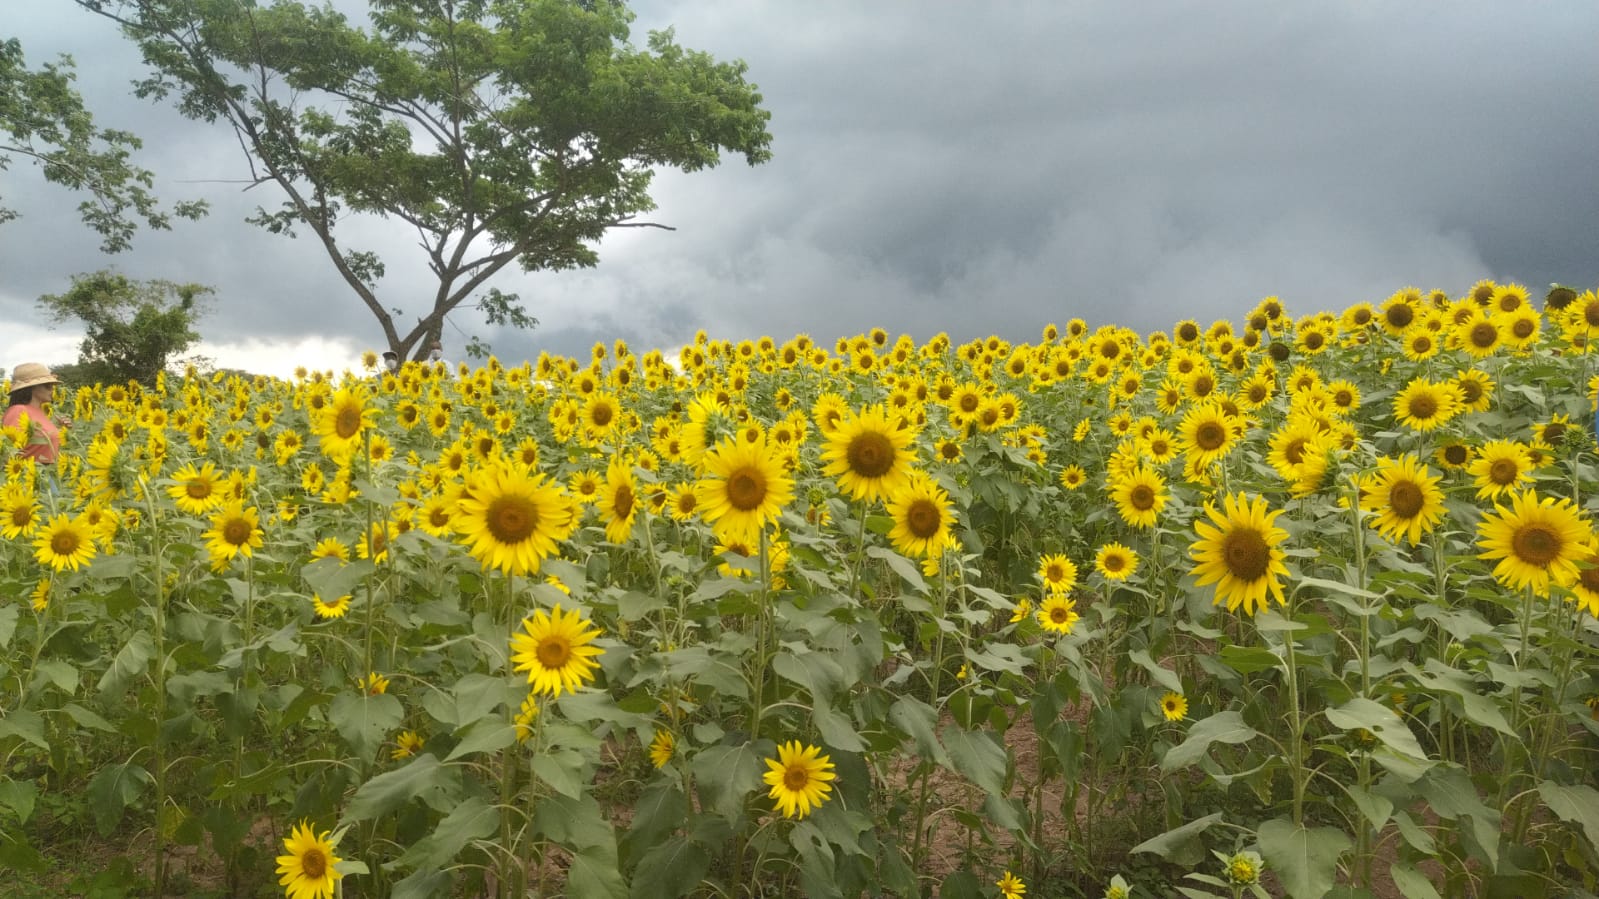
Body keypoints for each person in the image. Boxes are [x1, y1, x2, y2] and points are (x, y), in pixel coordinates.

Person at [4, 362, 71, 465]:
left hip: (48, 476)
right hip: (28, 476)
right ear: (32, 388)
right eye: (48, 385)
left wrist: (63, 431)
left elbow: (44, 445)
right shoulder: (18, 411)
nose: (52, 389)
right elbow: (9, 450)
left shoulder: (41, 411)